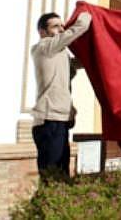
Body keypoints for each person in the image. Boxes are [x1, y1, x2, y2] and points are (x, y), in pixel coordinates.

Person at [31, 12, 92, 179]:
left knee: (62, 175)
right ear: (42, 32)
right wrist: (88, 14)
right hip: (49, 121)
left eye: (62, 26)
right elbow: (76, 30)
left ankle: (53, 205)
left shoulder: (60, 54)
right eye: (55, 26)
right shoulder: (43, 47)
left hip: (60, 121)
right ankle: (45, 205)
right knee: (52, 176)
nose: (61, 29)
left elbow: (76, 65)